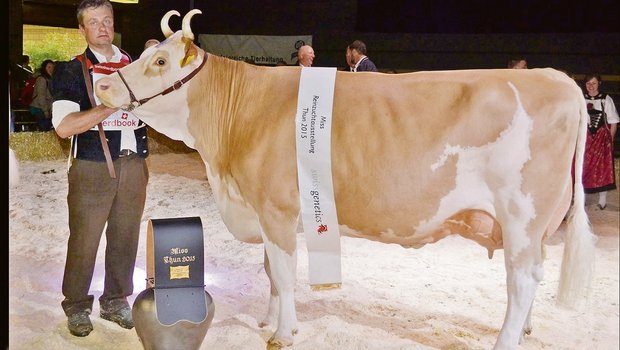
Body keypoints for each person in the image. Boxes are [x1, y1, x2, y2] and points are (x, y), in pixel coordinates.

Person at [49, 0, 149, 337]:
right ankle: (76, 305)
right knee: (84, 239)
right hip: (92, 166)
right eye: (94, 22)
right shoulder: (71, 70)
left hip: (134, 163)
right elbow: (64, 126)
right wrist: (110, 106)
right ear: (82, 29)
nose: (103, 27)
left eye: (107, 20)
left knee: (125, 235)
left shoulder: (135, 65)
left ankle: (115, 299)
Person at [582, 74, 619, 210]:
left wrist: (610, 140)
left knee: (603, 167)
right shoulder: (581, 98)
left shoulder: (605, 99)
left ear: (599, 84)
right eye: (588, 84)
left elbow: (613, 121)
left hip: (601, 138)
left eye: (594, 83)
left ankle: (602, 200)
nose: (591, 87)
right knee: (583, 167)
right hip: (585, 137)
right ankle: (583, 198)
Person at [29, 59, 55, 131]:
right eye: (48, 67)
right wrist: (45, 111)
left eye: (52, 67)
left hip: (46, 108)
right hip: (39, 108)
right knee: (45, 128)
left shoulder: (50, 79)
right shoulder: (42, 79)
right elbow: (41, 96)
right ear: (44, 68)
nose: (51, 69)